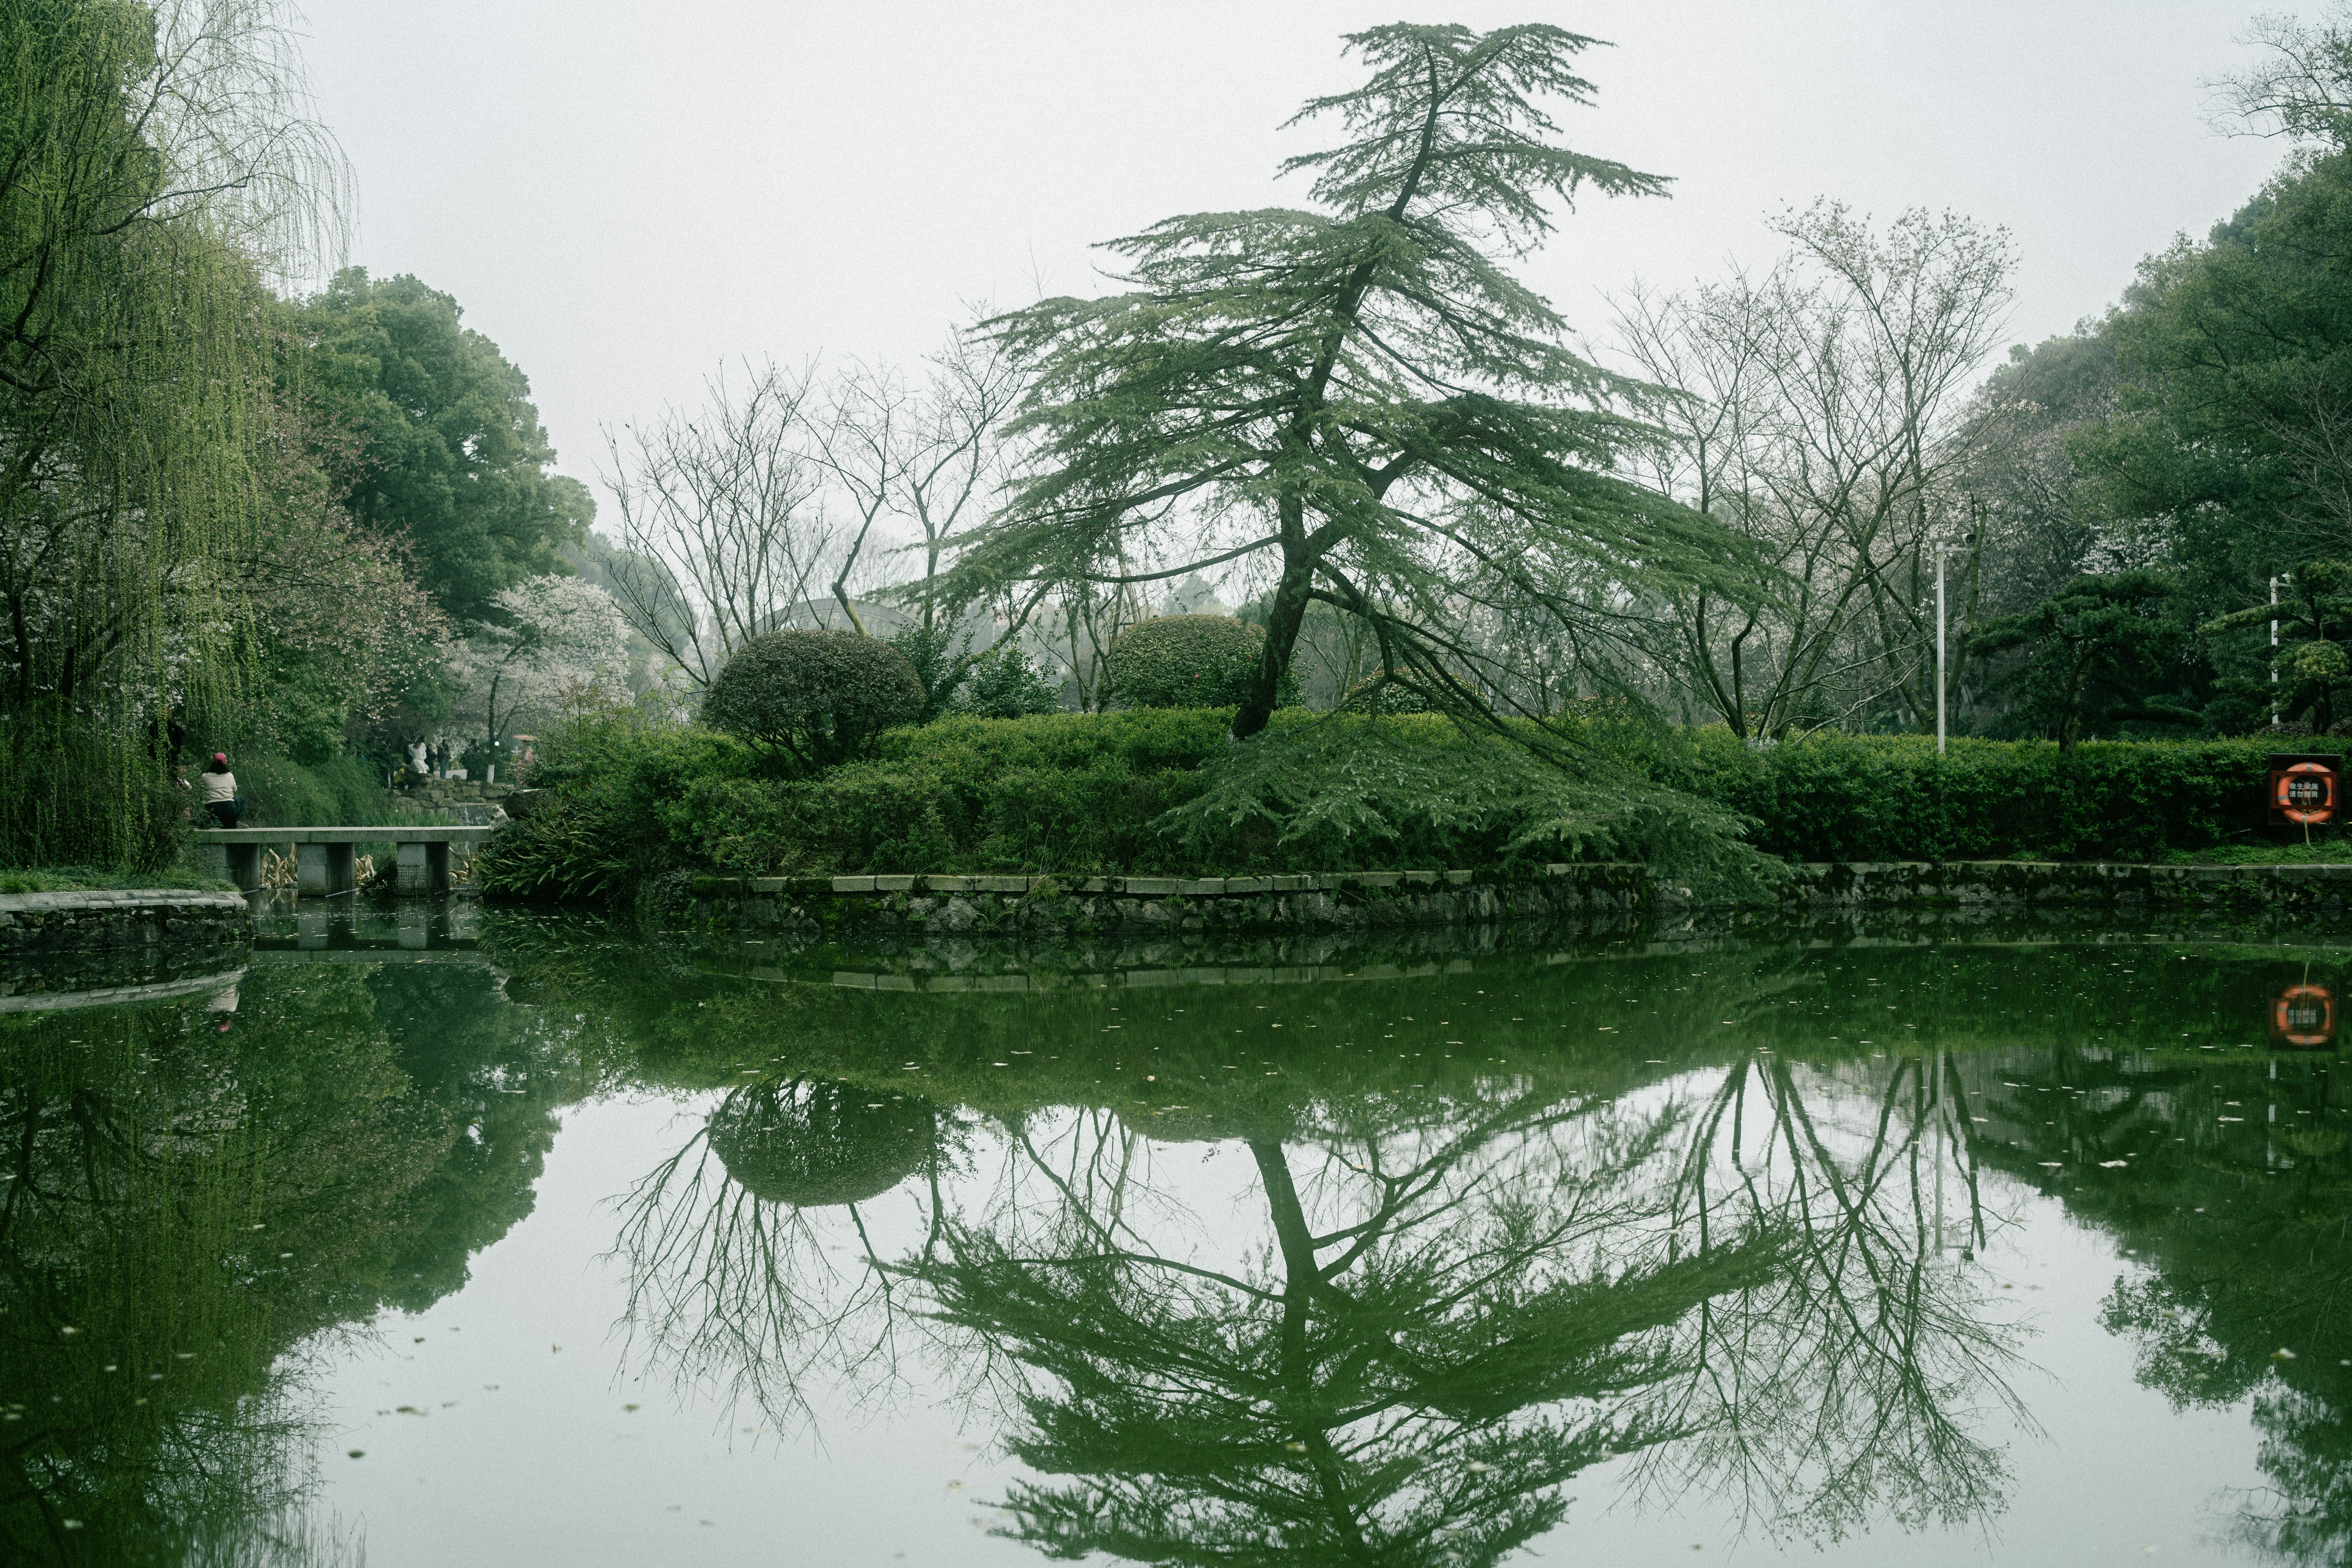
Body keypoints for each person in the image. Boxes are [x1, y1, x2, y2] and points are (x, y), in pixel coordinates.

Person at [195, 753, 243, 829]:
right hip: (229, 808)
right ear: (225, 764)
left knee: (200, 799)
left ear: (213, 763)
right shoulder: (230, 775)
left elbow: (200, 791)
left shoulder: (205, 777)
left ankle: (205, 822)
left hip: (211, 809)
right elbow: (235, 790)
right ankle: (238, 822)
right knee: (241, 799)